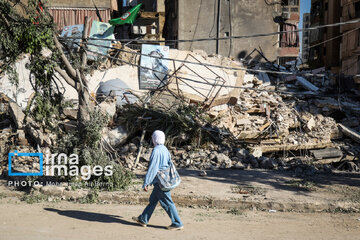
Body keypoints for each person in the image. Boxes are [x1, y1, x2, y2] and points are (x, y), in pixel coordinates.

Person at [132, 130, 183, 230]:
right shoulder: (164, 149)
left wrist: (146, 182)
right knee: (153, 200)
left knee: (167, 202)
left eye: (153, 137)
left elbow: (153, 168)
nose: (152, 139)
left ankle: (177, 223)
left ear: (155, 139)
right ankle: (143, 219)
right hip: (164, 180)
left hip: (161, 182)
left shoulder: (156, 151)